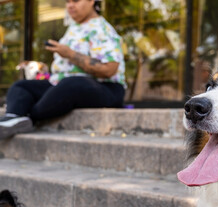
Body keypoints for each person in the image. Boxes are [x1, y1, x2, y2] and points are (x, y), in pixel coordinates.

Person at [0, 0, 126, 139]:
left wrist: (70, 54)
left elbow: (110, 69)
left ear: (91, 1)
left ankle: (27, 116)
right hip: (61, 84)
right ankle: (13, 116)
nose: (70, 5)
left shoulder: (102, 29)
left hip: (105, 88)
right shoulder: (74, 27)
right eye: (67, 1)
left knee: (72, 84)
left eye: (76, 1)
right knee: (21, 86)